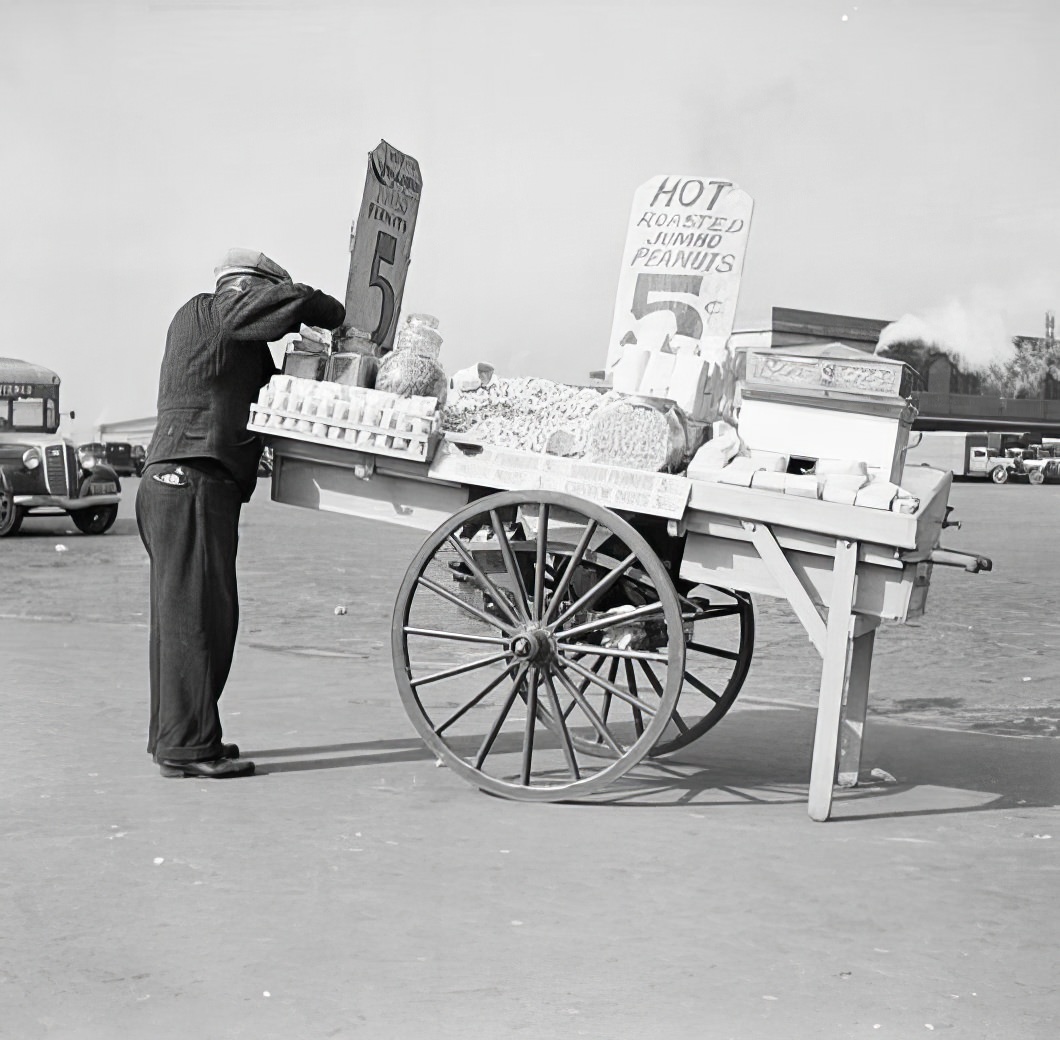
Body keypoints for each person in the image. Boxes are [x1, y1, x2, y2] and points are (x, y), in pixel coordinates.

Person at [136, 248, 345, 778]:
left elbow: (280, 402)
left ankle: (182, 738)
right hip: (190, 479)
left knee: (196, 616)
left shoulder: (238, 346)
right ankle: (188, 746)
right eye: (267, 301)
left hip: (195, 485)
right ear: (249, 289)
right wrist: (326, 309)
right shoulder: (210, 311)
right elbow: (272, 307)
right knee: (196, 618)